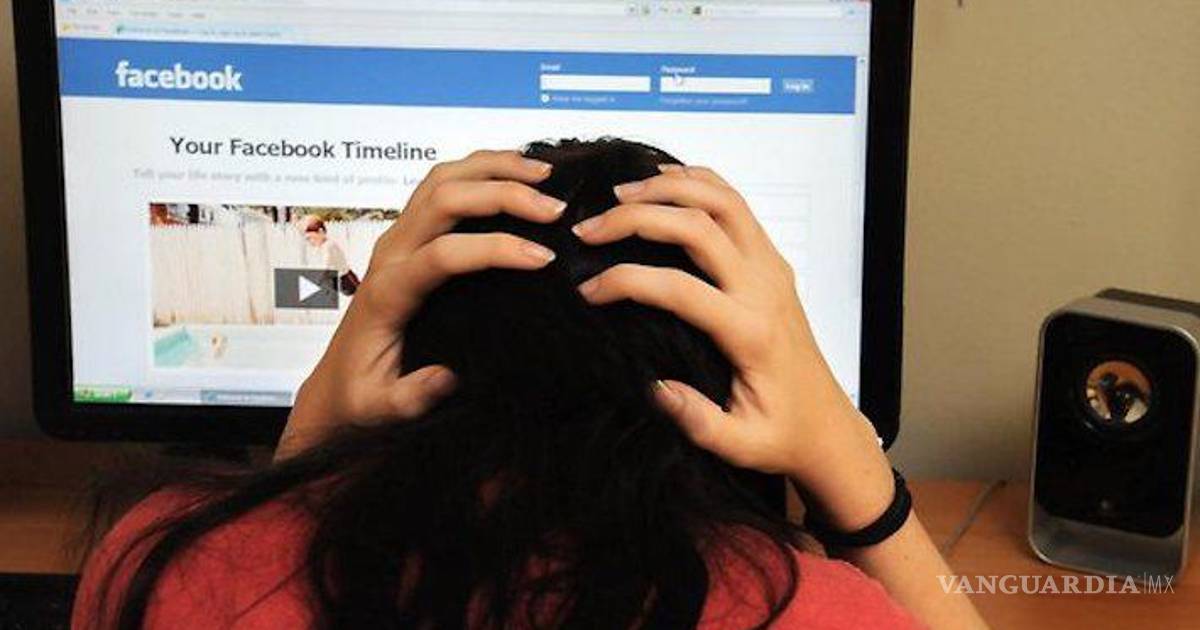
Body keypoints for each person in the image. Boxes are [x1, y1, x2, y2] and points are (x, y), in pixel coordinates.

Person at [73, 139, 987, 629]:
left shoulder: (163, 565)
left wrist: (314, 432)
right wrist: (846, 459)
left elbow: (256, 558)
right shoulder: (813, 611)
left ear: (408, 363)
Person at [298, 214, 361, 296]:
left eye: (311, 238)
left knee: (358, 296)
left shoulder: (329, 245)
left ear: (321, 232)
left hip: (346, 280)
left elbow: (326, 266)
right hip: (337, 280)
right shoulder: (321, 247)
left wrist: (317, 280)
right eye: (307, 239)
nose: (310, 242)